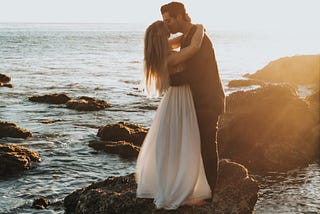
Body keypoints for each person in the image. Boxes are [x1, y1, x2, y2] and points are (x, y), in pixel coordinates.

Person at [136, 20, 211, 209]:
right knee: (183, 142)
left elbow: (180, 40)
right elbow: (193, 47)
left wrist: (187, 32)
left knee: (175, 143)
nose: (170, 31)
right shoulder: (169, 58)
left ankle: (178, 182)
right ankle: (178, 189)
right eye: (166, 30)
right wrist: (200, 27)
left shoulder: (158, 53)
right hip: (179, 100)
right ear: (162, 37)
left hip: (175, 99)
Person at [161, 2, 225, 200]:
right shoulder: (189, 37)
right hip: (196, 100)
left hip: (208, 100)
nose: (167, 25)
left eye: (169, 20)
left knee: (206, 145)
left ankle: (210, 195)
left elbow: (195, 74)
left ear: (180, 16)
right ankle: (194, 188)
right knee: (192, 146)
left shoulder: (200, 39)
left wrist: (169, 80)